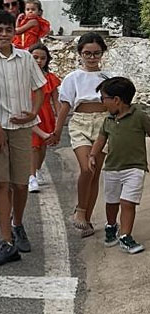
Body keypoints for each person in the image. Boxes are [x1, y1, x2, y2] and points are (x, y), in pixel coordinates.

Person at [0, 9, 47, 266]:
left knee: (20, 183)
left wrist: (34, 113)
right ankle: (6, 242)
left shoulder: (26, 58)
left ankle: (17, 225)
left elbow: (39, 87)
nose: (3, 34)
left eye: (8, 29)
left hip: (21, 127)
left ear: (13, 31)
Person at [49, 32, 111, 237]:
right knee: (87, 168)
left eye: (96, 53)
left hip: (103, 124)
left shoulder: (108, 77)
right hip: (81, 124)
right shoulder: (72, 78)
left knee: (95, 174)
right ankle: (80, 211)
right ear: (80, 54)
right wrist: (57, 131)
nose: (92, 58)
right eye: (87, 53)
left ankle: (86, 217)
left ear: (102, 53)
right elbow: (65, 106)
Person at [90, 77, 150, 254]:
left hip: (135, 168)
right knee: (111, 202)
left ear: (116, 100)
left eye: (103, 98)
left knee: (127, 202)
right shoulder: (108, 120)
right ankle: (111, 225)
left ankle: (125, 236)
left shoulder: (139, 116)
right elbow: (101, 139)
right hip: (112, 168)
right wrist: (93, 155)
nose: (102, 103)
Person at [28, 43, 61, 193]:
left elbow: (56, 100)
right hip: (30, 113)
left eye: (42, 58)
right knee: (33, 146)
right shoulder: (23, 76)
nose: (39, 61)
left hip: (46, 114)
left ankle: (38, 169)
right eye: (35, 57)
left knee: (42, 146)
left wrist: (59, 118)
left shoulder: (51, 78)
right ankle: (32, 176)